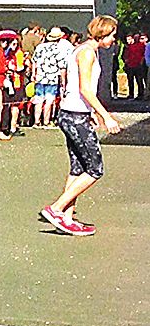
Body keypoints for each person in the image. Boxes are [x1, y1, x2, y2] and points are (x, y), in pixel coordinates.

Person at [41, 15, 121, 236]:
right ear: (102, 33)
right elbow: (86, 88)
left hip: (74, 113)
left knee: (78, 168)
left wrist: (91, 111)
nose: (114, 39)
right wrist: (106, 116)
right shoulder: (86, 52)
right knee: (95, 169)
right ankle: (57, 208)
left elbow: (74, 85)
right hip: (74, 116)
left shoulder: (83, 50)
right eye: (112, 35)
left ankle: (67, 217)